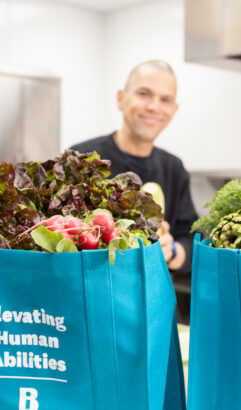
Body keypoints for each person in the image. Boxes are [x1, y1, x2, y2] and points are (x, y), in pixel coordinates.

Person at [70, 60, 198, 273]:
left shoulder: (174, 168)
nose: (154, 106)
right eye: (144, 93)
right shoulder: (82, 159)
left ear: (174, 110)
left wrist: (172, 251)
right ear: (121, 99)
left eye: (165, 99)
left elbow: (192, 236)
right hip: (92, 294)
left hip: (153, 300)